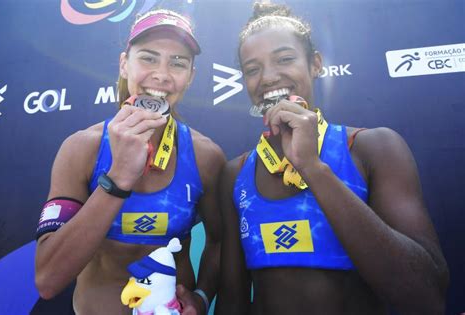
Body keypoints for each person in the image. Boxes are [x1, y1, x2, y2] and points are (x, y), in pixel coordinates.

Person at [215, 3, 449, 315]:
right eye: (252, 69)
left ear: (315, 64)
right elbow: (233, 300)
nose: (269, 77)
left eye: (284, 59)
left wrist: (313, 168)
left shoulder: (372, 148)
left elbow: (426, 297)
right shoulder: (237, 172)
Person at [35, 9, 225, 315]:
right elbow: (48, 279)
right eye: (148, 58)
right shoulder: (82, 149)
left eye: (177, 63)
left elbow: (220, 244)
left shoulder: (205, 156)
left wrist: (202, 297)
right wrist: (117, 179)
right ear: (125, 64)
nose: (162, 75)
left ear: (190, 77)